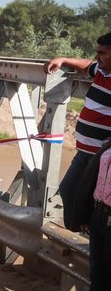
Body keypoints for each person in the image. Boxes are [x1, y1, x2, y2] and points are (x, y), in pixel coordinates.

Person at [43, 32, 111, 230]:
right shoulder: (101, 70)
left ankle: (89, 239)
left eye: (102, 53)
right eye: (96, 52)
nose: (97, 57)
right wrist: (62, 59)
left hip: (101, 158)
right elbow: (86, 64)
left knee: (90, 200)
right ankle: (83, 235)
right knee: (69, 192)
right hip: (85, 152)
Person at [71, 141, 111, 291]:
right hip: (98, 214)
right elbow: (90, 180)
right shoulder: (108, 145)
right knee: (97, 271)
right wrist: (85, 215)